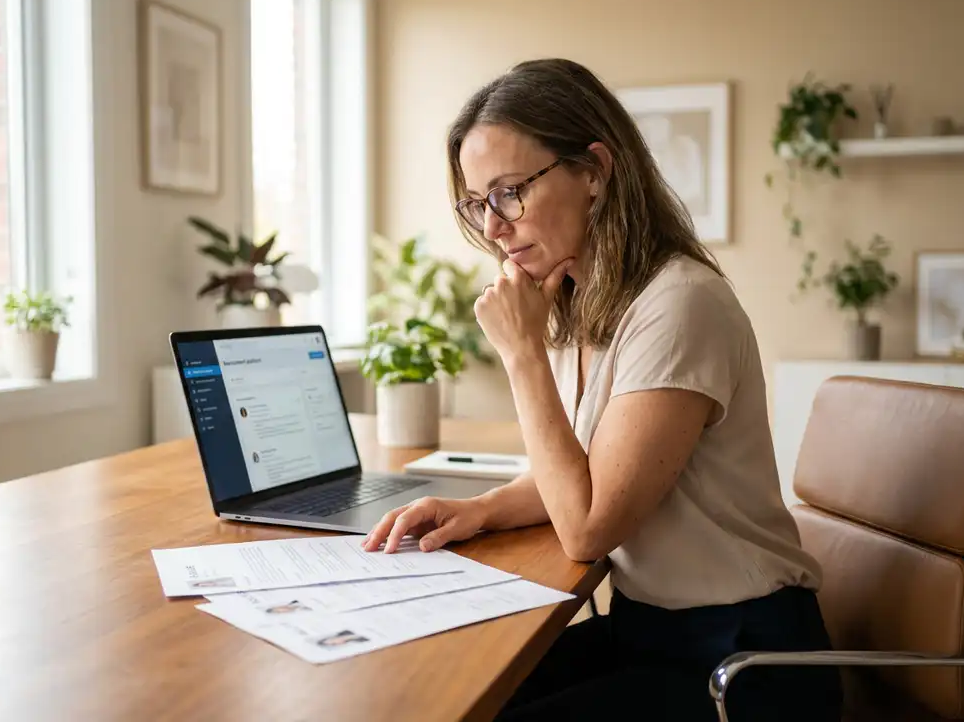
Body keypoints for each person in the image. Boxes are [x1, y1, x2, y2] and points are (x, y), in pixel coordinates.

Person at [361, 59, 842, 721]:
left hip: (743, 662)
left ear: (592, 172)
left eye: (509, 192)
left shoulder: (680, 304)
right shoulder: (584, 301)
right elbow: (585, 477)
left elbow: (587, 527)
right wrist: (480, 510)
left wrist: (523, 354)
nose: (494, 226)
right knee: (445, 695)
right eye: (478, 202)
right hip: (654, 633)